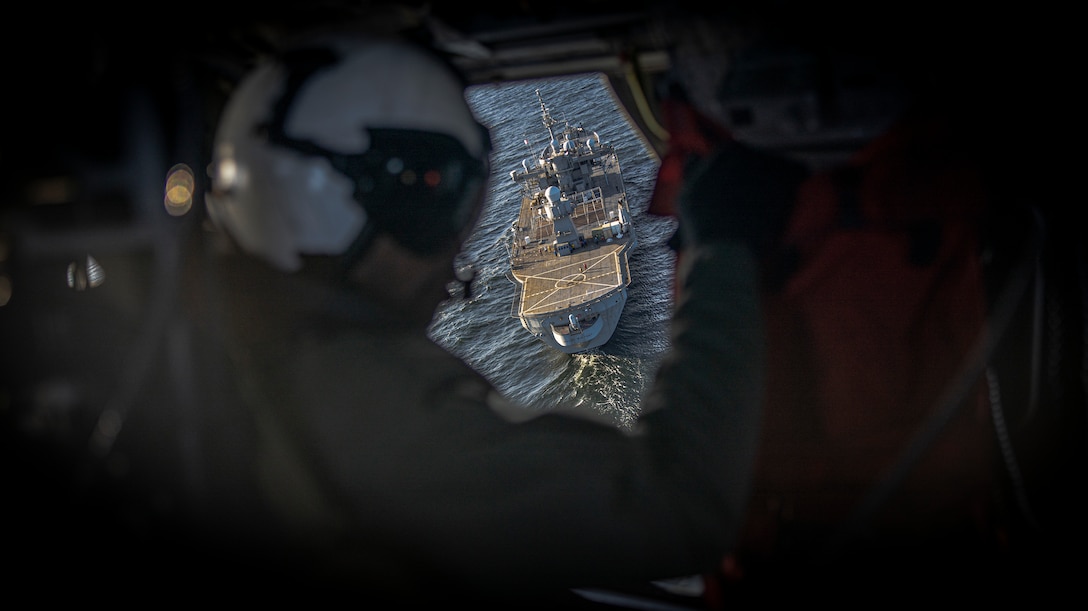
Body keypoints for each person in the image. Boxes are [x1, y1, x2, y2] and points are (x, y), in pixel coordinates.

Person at [192, 26, 771, 605]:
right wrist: (722, 252)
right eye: (444, 200)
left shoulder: (213, 344)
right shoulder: (358, 397)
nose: (455, 256)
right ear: (389, 207)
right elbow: (673, 511)